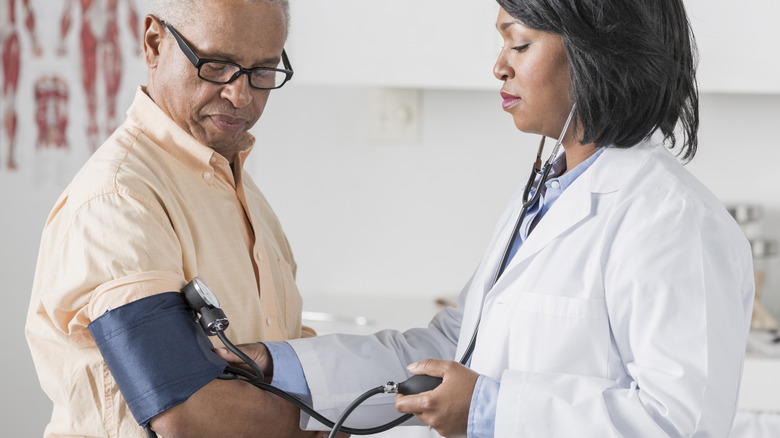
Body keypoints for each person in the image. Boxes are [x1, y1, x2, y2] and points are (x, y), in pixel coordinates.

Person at [218, 0, 755, 437]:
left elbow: (679, 423)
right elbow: (454, 348)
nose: (500, 65)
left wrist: (490, 409)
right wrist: (275, 364)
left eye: (519, 42)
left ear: (596, 53)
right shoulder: (548, 195)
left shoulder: (672, 218)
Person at [25, 1, 323, 437]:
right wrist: (324, 416)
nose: (240, 95)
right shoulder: (119, 200)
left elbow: (289, 355)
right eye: (217, 65)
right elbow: (189, 414)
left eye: (262, 71)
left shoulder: (237, 187)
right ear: (154, 44)